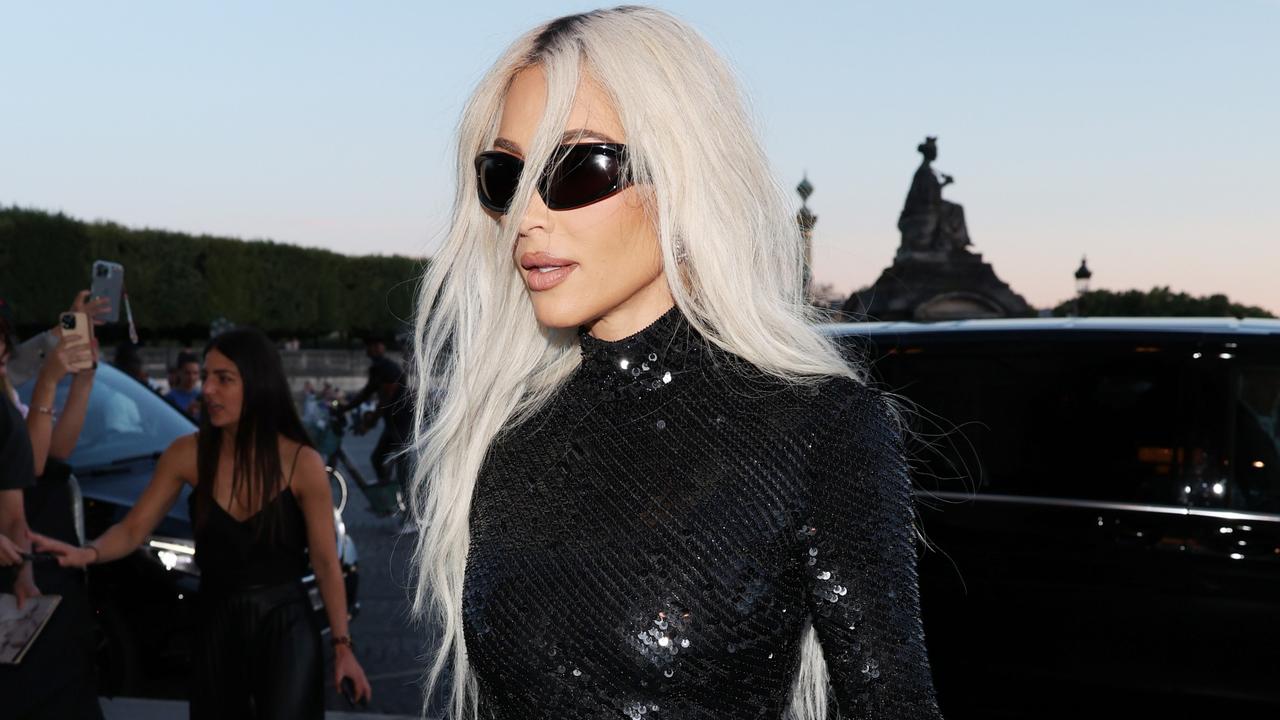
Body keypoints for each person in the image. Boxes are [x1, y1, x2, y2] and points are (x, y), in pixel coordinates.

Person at [404, 7, 945, 720]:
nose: (529, 216)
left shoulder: (819, 430)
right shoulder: (507, 434)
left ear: (684, 176)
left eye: (577, 169)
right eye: (506, 175)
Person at [35, 327, 373, 718]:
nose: (207, 390)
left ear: (258, 383)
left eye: (223, 379)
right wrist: (88, 554)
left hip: (286, 630)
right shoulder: (186, 454)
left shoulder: (302, 463)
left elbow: (327, 563)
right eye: (207, 377)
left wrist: (343, 648)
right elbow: (132, 530)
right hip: (217, 627)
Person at [0, 291, 103, 720]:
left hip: (29, 550)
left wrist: (83, 378)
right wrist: (48, 380)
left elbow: (53, 454)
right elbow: (35, 463)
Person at [337, 334, 412, 491]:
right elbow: (365, 394)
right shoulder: (377, 370)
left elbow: (385, 400)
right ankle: (387, 496)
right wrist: (345, 408)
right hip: (392, 423)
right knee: (378, 459)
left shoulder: (389, 369)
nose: (369, 351)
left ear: (379, 348)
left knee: (401, 463)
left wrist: (369, 424)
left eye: (373, 346)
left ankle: (406, 501)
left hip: (401, 423)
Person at [165, 350, 202, 420]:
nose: (192, 377)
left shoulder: (201, 395)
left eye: (195, 373)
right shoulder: (170, 398)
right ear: (179, 372)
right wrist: (187, 413)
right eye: (187, 373)